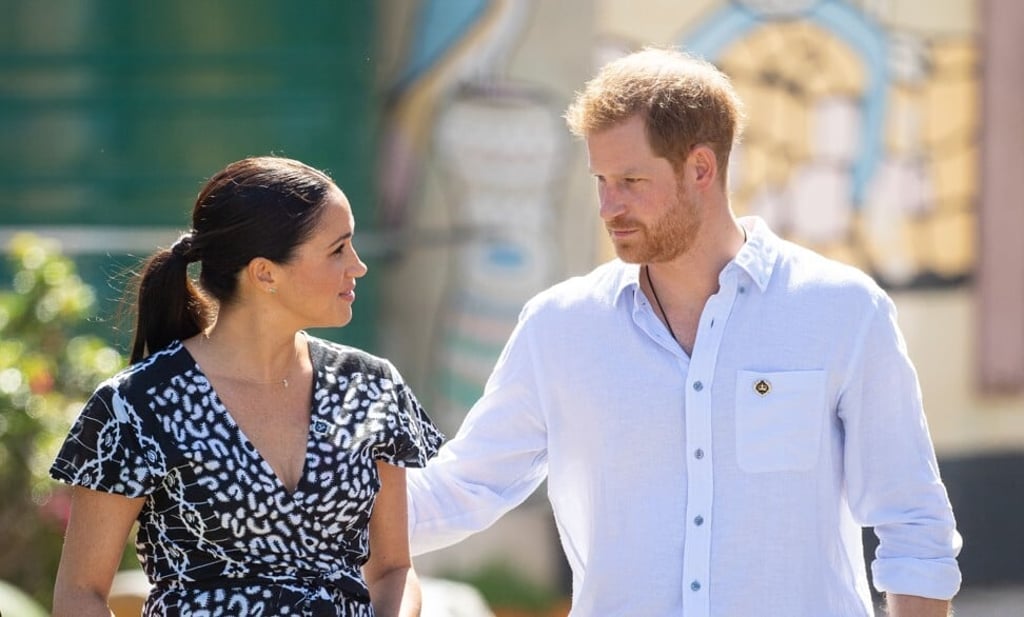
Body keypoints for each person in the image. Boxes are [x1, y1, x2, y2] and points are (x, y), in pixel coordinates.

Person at [406, 47, 962, 616]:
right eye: (600, 179)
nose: (607, 206)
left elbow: (913, 522)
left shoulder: (842, 311)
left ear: (701, 168)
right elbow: (463, 488)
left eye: (630, 180)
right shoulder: (559, 328)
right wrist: (321, 500)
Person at [50, 156, 443, 617]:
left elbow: (394, 569)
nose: (357, 267)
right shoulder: (135, 405)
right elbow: (81, 594)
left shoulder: (372, 387)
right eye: (337, 250)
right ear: (265, 273)